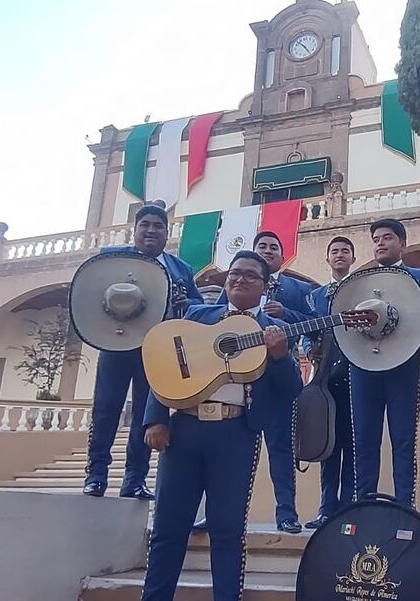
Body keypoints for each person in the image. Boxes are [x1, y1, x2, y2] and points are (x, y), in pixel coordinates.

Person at [140, 250, 303, 601]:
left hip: (235, 434)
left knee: (227, 530)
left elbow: (291, 391)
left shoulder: (275, 330)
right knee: (168, 529)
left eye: (249, 275)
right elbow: (163, 364)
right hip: (184, 429)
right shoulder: (199, 315)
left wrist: (279, 357)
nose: (239, 280)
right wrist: (155, 418)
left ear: (265, 286)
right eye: (234, 274)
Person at [83, 203, 202, 499]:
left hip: (155, 351)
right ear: (135, 230)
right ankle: (96, 475)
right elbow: (90, 293)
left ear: (166, 232)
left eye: (158, 226)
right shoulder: (109, 259)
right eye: (145, 225)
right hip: (116, 344)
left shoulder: (181, 269)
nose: (151, 230)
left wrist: (184, 303)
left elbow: (198, 308)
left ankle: (134, 479)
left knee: (145, 415)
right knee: (105, 410)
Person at [197, 231, 313, 533]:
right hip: (228, 393)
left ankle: (286, 513)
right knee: (224, 461)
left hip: (271, 390)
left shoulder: (291, 300)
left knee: (281, 452)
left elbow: (311, 321)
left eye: (274, 246)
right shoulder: (220, 303)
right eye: (263, 245)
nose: (240, 280)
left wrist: (280, 345)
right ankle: (215, 513)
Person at [350, 218, 420, 506]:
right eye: (376, 239)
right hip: (364, 367)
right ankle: (364, 504)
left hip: (403, 367)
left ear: (402, 243)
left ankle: (404, 506)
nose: (380, 243)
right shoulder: (360, 282)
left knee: (403, 440)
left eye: (387, 237)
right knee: (363, 440)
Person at [304, 236, 357, 529]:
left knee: (351, 444)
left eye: (345, 251)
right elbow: (308, 330)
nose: (339, 255)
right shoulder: (316, 296)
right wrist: (308, 346)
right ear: (328, 260)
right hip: (324, 378)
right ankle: (326, 507)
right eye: (334, 251)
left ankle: (348, 504)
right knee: (327, 444)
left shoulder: (358, 290)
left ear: (353, 258)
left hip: (353, 375)